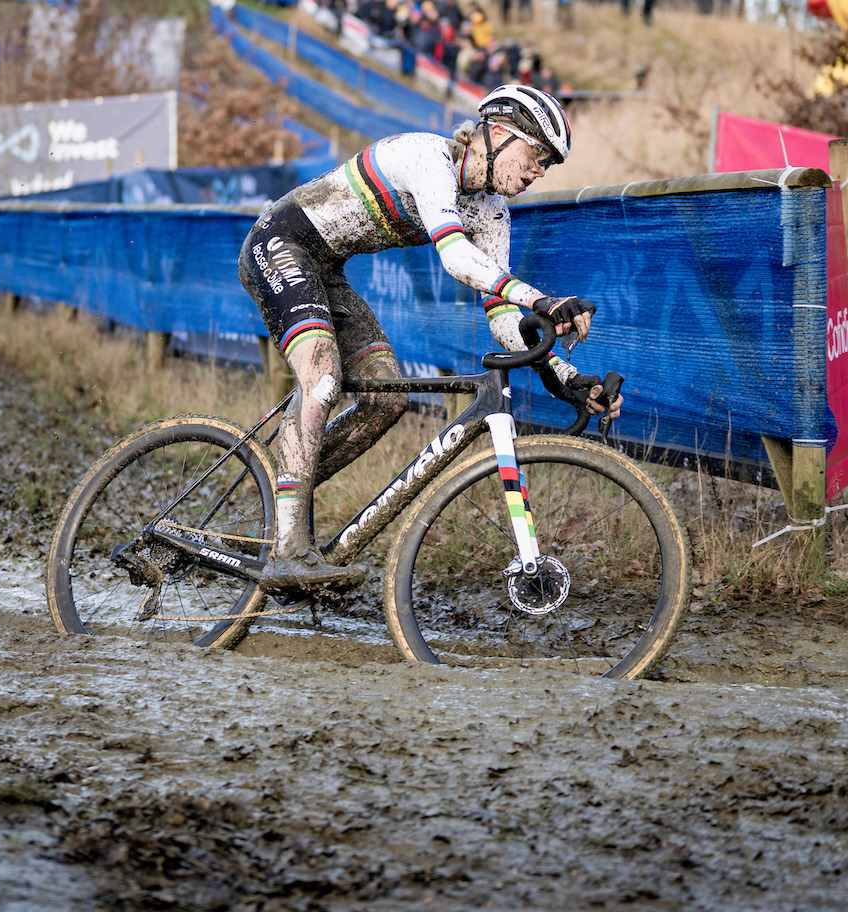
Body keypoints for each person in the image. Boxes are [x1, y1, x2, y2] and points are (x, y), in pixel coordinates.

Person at [237, 84, 617, 593]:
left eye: (547, 165)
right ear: (498, 134)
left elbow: (503, 318)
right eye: (537, 154)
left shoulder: (493, 213)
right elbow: (456, 258)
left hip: (324, 269)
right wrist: (542, 299)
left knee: (385, 398)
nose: (538, 171)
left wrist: (565, 378)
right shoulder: (425, 155)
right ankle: (288, 547)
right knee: (323, 378)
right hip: (279, 243)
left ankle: (275, 502)